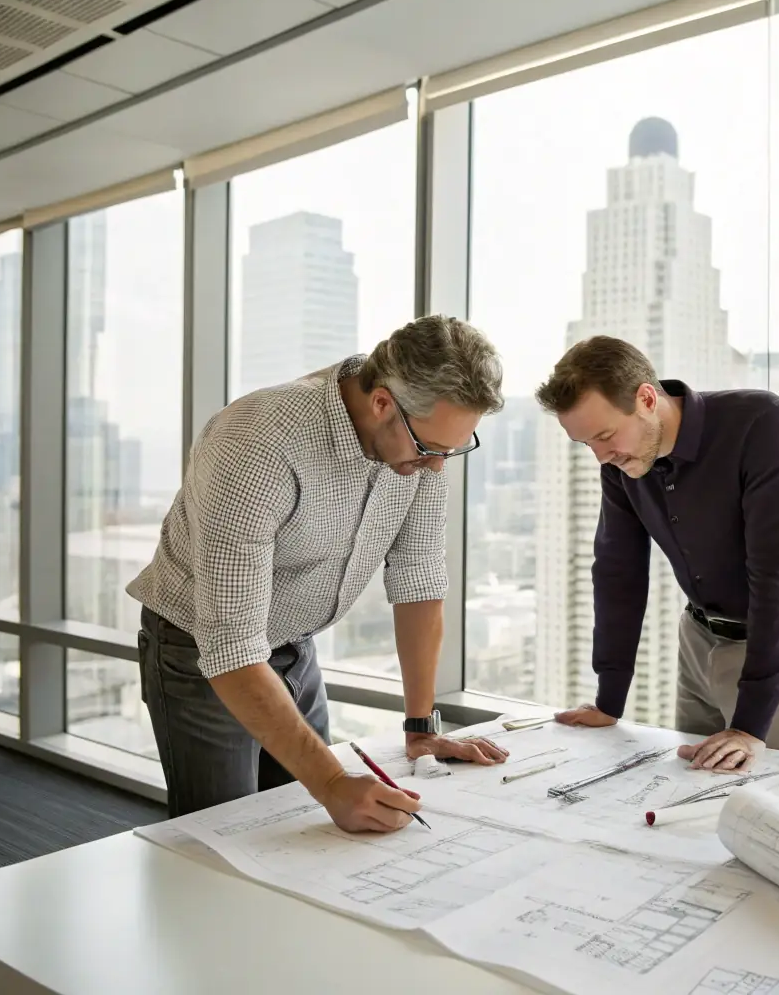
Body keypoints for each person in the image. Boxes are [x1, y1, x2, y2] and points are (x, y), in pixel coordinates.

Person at [128, 316, 509, 832]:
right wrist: (332, 783)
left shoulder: (419, 451)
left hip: (294, 646)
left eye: (453, 450)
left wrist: (421, 729)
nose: (439, 467)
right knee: (221, 837)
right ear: (382, 404)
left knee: (306, 827)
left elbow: (419, 582)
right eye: (430, 450)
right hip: (199, 650)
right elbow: (232, 645)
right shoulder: (258, 441)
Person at [535, 336, 779, 771]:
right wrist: (609, 700)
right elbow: (618, 569)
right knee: (691, 797)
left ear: (645, 398)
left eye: (604, 435)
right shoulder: (622, 461)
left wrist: (751, 727)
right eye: (588, 445)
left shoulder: (762, 423)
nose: (601, 456)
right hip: (697, 641)